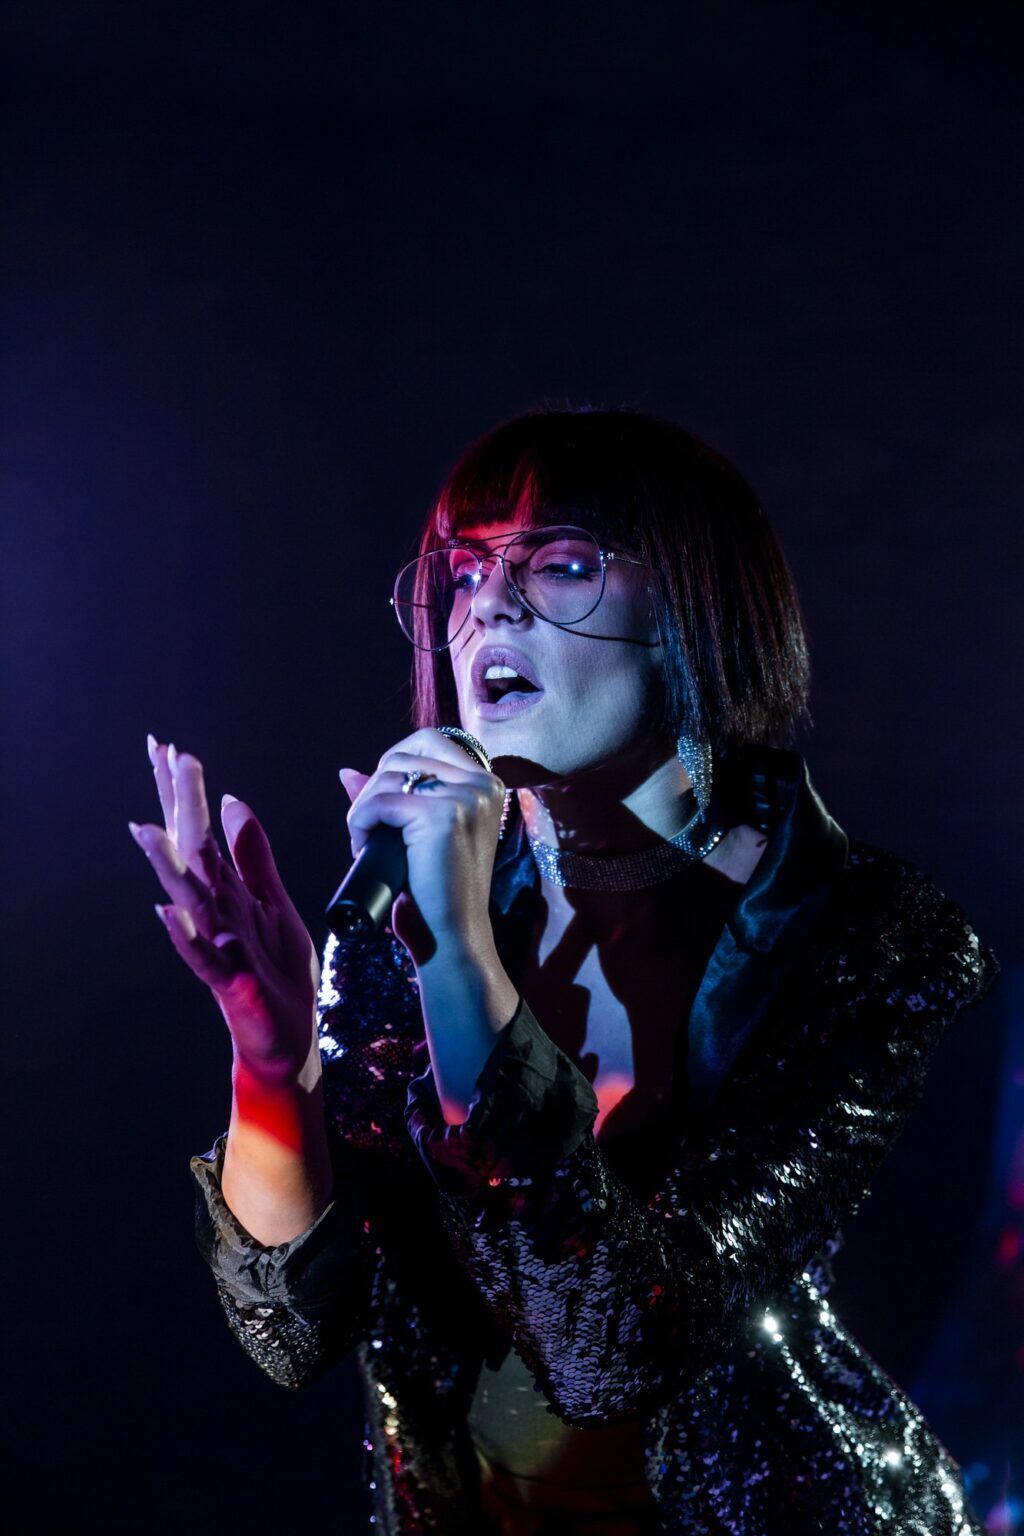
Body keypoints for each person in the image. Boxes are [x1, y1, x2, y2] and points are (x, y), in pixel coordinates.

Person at [129, 407, 999, 1535]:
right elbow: (291, 1334)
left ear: (697, 608)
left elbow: (611, 1350)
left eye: (562, 565)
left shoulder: (865, 934)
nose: (489, 603)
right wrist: (272, 1055)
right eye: (465, 571)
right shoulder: (421, 901)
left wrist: (459, 958)